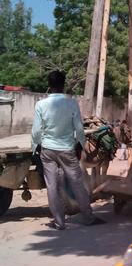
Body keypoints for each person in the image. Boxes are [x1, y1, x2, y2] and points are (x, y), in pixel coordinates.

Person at [31, 70, 105, 230]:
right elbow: (79, 129)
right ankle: (88, 217)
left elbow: (36, 131)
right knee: (77, 183)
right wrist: (81, 144)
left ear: (49, 86)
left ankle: (59, 222)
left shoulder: (40, 105)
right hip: (66, 149)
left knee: (51, 186)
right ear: (63, 85)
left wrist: (35, 147)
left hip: (47, 150)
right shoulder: (71, 103)